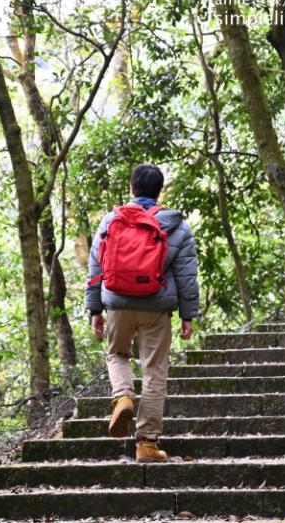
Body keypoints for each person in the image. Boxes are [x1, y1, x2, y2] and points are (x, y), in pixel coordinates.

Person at [85, 164, 199, 463]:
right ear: (160, 191)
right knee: (154, 369)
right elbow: (187, 275)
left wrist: (94, 308)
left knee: (117, 355)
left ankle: (123, 396)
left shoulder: (112, 220)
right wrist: (188, 316)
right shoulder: (176, 224)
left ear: (132, 189)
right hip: (157, 305)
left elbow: (95, 267)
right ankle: (147, 444)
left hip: (117, 303)